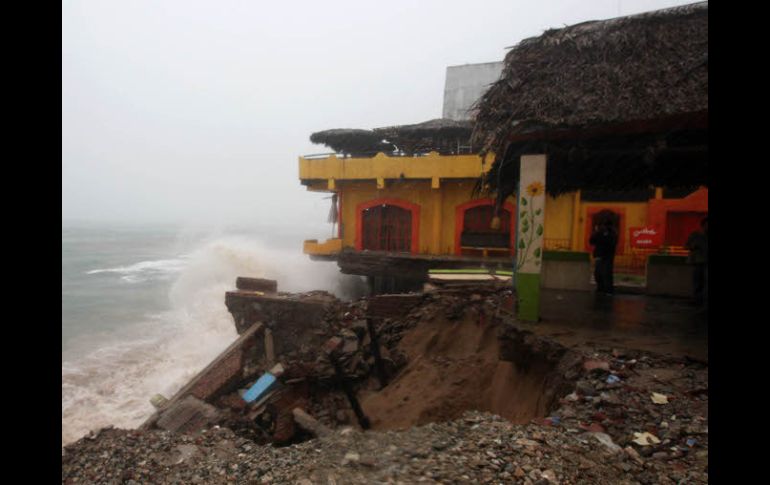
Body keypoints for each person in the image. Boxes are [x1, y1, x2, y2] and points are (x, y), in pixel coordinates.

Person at [590, 220, 618, 295]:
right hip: (599, 255)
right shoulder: (600, 233)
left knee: (606, 273)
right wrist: (596, 232)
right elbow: (591, 241)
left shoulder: (612, 234)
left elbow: (609, 243)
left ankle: (608, 290)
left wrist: (601, 234)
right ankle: (600, 288)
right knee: (598, 273)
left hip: (607, 256)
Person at [685, 216, 708, 307]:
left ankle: (702, 300)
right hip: (698, 262)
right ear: (703, 225)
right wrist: (694, 246)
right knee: (698, 282)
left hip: (705, 262)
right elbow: (687, 246)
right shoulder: (695, 235)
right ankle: (697, 300)